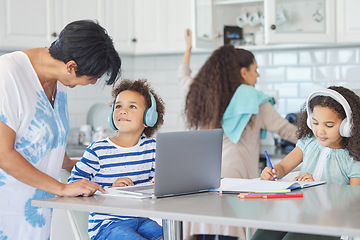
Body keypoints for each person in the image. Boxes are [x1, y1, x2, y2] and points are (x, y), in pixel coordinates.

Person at [0, 20, 121, 240]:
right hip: (7, 208)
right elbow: (3, 154)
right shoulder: (8, 74)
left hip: (39, 209)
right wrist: (62, 188)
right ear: (71, 66)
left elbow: (50, 142)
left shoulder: (61, 82)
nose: (92, 83)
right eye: (92, 78)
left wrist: (83, 166)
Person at [178, 29, 298, 240]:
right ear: (243, 72)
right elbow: (288, 131)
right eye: (255, 69)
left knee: (203, 231)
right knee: (230, 232)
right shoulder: (254, 99)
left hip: (204, 178)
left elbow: (183, 77)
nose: (258, 75)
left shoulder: (204, 93)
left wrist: (188, 47)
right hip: (237, 180)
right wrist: (324, 135)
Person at [251, 86, 360, 240]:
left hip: (330, 222)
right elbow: (283, 167)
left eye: (328, 125)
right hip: (302, 214)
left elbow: (354, 201)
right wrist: (273, 171)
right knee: (262, 235)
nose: (320, 131)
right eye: (315, 123)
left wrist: (317, 187)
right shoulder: (308, 143)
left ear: (347, 126)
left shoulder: (354, 158)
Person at [68, 79, 165, 240]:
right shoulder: (97, 150)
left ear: (149, 117)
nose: (122, 111)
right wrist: (109, 189)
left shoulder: (153, 147)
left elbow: (160, 182)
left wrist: (161, 181)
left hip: (141, 219)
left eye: (132, 106)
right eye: (118, 106)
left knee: (167, 235)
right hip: (107, 225)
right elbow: (73, 185)